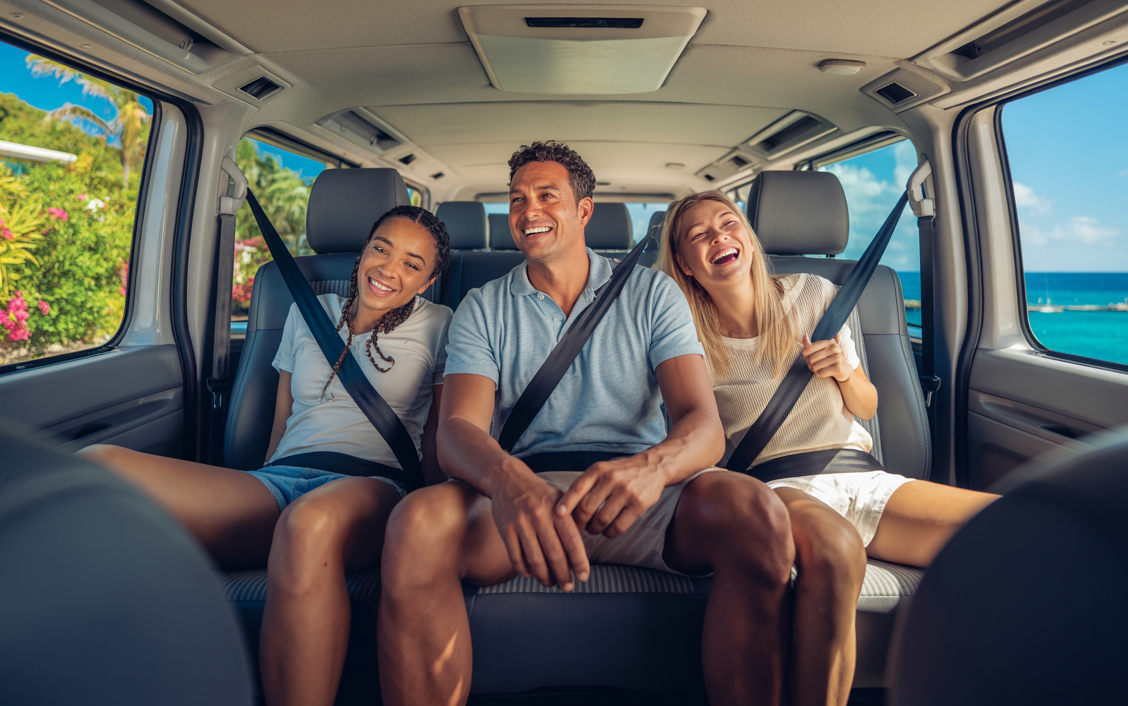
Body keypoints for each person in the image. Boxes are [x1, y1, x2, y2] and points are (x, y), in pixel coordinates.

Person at [378, 142, 795, 706]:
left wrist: (652, 469)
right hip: (527, 490)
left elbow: (702, 423)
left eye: (546, 196)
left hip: (645, 491)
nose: (528, 210)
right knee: (415, 524)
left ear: (583, 210)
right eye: (517, 199)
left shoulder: (653, 292)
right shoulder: (482, 305)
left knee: (759, 514)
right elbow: (457, 431)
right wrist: (509, 482)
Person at [82, 205, 453, 706]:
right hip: (280, 481)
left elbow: (440, 437)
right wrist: (258, 482)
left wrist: (430, 527)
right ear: (364, 250)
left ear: (428, 281)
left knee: (309, 522)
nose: (388, 269)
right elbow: (283, 423)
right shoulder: (306, 310)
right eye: (381, 249)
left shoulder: (442, 324)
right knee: (98, 469)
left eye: (411, 263)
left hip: (373, 487)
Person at [657, 190, 999, 706]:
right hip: (775, 488)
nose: (719, 238)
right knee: (837, 550)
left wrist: (844, 371)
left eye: (728, 223)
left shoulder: (816, 294)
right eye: (699, 235)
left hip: (864, 477)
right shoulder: (680, 329)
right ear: (684, 262)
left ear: (748, 235)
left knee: (1016, 527)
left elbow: (866, 404)